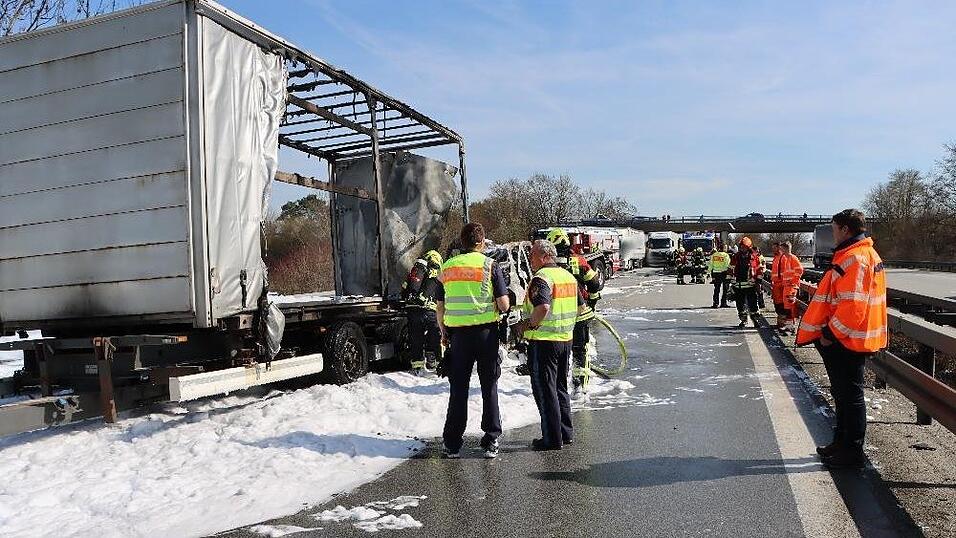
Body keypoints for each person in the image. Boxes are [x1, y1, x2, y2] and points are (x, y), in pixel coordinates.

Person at [796, 209, 887, 469]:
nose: (833, 233)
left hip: (846, 340)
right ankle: (842, 442)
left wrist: (829, 333)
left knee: (850, 396)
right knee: (843, 395)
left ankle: (852, 452)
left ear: (845, 229)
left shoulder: (856, 258)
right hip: (850, 337)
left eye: (835, 228)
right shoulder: (857, 254)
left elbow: (852, 307)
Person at [436, 223, 510, 459]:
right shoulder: (490, 265)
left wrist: (444, 332)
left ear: (461, 241)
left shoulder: (447, 268)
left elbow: (440, 307)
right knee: (489, 386)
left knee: (458, 389)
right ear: (482, 242)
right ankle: (491, 439)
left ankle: (452, 443)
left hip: (458, 336)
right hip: (486, 334)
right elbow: (504, 305)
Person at [520, 240, 577, 450]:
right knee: (560, 387)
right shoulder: (568, 276)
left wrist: (528, 324)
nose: (530, 259)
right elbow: (580, 306)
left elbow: (543, 306)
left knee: (545, 390)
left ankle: (552, 439)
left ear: (545, 256)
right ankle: (565, 433)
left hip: (544, 341)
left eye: (533, 255)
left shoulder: (542, 278)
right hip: (565, 339)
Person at [546, 228, 603, 401]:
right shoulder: (578, 261)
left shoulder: (548, 265)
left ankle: (557, 386)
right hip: (579, 314)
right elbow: (594, 285)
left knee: (557, 351)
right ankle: (580, 387)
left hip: (557, 315)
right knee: (580, 351)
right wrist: (591, 304)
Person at [400, 250, 444, 374]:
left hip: (412, 309)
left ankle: (417, 367)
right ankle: (435, 364)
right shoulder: (435, 270)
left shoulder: (417, 269)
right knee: (434, 336)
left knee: (416, 338)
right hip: (429, 309)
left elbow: (405, 286)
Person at [729, 236, 763, 328]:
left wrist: (758, 280)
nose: (742, 248)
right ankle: (743, 320)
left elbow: (759, 269)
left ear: (749, 247)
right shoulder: (736, 257)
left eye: (744, 247)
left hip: (750, 285)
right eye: (741, 247)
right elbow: (731, 269)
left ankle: (755, 319)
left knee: (753, 303)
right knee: (740, 304)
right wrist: (730, 281)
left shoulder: (754, 257)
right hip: (738, 285)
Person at [777, 241, 804, 333]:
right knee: (787, 306)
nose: (781, 251)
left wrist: (793, 282)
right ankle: (789, 326)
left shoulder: (792, 258)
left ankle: (792, 326)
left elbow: (799, 270)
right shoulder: (787, 259)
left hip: (791, 286)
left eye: (782, 249)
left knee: (790, 306)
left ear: (786, 249)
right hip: (787, 286)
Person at [770, 242, 786, 330]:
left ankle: (782, 324)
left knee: (781, 305)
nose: (773, 250)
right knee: (777, 305)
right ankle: (780, 324)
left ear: (779, 248)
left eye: (774, 248)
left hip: (781, 285)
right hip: (776, 285)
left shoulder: (783, 257)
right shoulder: (776, 258)